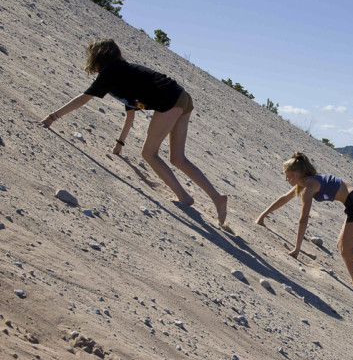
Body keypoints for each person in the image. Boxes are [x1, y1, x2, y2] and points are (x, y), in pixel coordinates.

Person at [39, 39, 227, 225]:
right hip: (182, 98)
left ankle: (184, 197)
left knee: (149, 154)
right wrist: (119, 146)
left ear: (98, 57)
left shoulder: (111, 71)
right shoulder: (125, 74)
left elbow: (84, 98)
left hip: (169, 99)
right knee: (178, 158)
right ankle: (217, 197)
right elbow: (130, 116)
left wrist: (52, 117)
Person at [256, 152, 353, 289]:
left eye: (288, 176)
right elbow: (284, 198)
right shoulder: (306, 183)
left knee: (347, 251)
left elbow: (303, 220)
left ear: (296, 175)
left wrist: (297, 249)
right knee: (342, 248)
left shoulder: (309, 187)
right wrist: (262, 215)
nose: (286, 179)